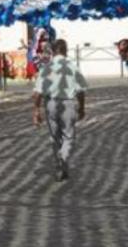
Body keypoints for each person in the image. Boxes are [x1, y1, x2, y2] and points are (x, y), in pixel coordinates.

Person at [32, 39, 87, 181]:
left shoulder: (46, 67)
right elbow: (81, 90)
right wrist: (81, 107)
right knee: (68, 137)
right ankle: (63, 158)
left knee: (55, 137)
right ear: (66, 50)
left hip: (50, 103)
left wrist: (36, 111)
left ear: (53, 51)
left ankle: (61, 168)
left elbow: (37, 92)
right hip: (68, 103)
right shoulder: (72, 66)